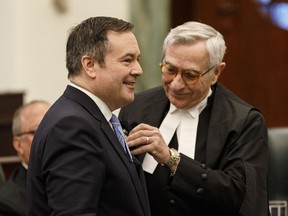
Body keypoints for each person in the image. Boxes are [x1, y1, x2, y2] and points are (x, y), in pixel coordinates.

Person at [119, 21, 269, 216]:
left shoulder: (245, 122)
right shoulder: (136, 106)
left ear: (216, 72)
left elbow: (240, 198)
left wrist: (171, 158)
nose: (176, 84)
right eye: (170, 69)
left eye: (190, 75)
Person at [27, 16, 151, 216]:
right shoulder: (72, 126)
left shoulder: (91, 117)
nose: (138, 70)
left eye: (138, 59)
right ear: (90, 65)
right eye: (127, 60)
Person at [0, 100, 50, 216]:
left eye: (56, 129)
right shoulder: (7, 204)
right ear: (18, 145)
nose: (51, 137)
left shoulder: (78, 177)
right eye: (39, 131)